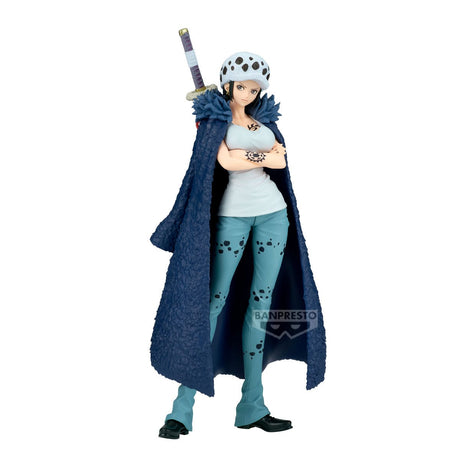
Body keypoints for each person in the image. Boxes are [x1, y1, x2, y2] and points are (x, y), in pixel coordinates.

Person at [150, 52, 327, 439]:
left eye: (255, 88)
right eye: (242, 86)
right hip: (231, 218)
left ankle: (253, 406)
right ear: (228, 85)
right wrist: (259, 156)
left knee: (260, 307)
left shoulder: (264, 123)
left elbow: (280, 162)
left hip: (273, 216)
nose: (248, 93)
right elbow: (226, 163)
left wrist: (248, 155)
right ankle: (182, 409)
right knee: (211, 303)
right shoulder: (213, 123)